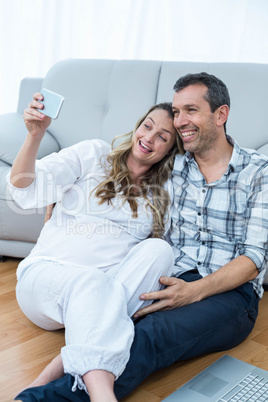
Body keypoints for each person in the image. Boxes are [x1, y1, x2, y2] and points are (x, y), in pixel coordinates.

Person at [15, 72, 268, 402]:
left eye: (189, 111)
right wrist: (55, 183)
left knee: (148, 322)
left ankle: (48, 388)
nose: (180, 122)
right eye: (176, 113)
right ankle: (74, 386)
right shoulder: (174, 168)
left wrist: (193, 292)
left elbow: (254, 260)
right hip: (152, 280)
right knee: (123, 318)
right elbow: (37, 188)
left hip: (226, 291)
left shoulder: (254, 172)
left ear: (220, 114)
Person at [9, 95, 183, 402]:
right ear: (137, 126)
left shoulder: (162, 194)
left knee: (160, 251)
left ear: (170, 150)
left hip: (102, 298)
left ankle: (59, 365)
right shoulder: (94, 153)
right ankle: (102, 394)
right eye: (147, 126)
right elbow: (25, 189)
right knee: (92, 281)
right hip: (46, 281)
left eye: (162, 137)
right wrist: (34, 136)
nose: (149, 138)